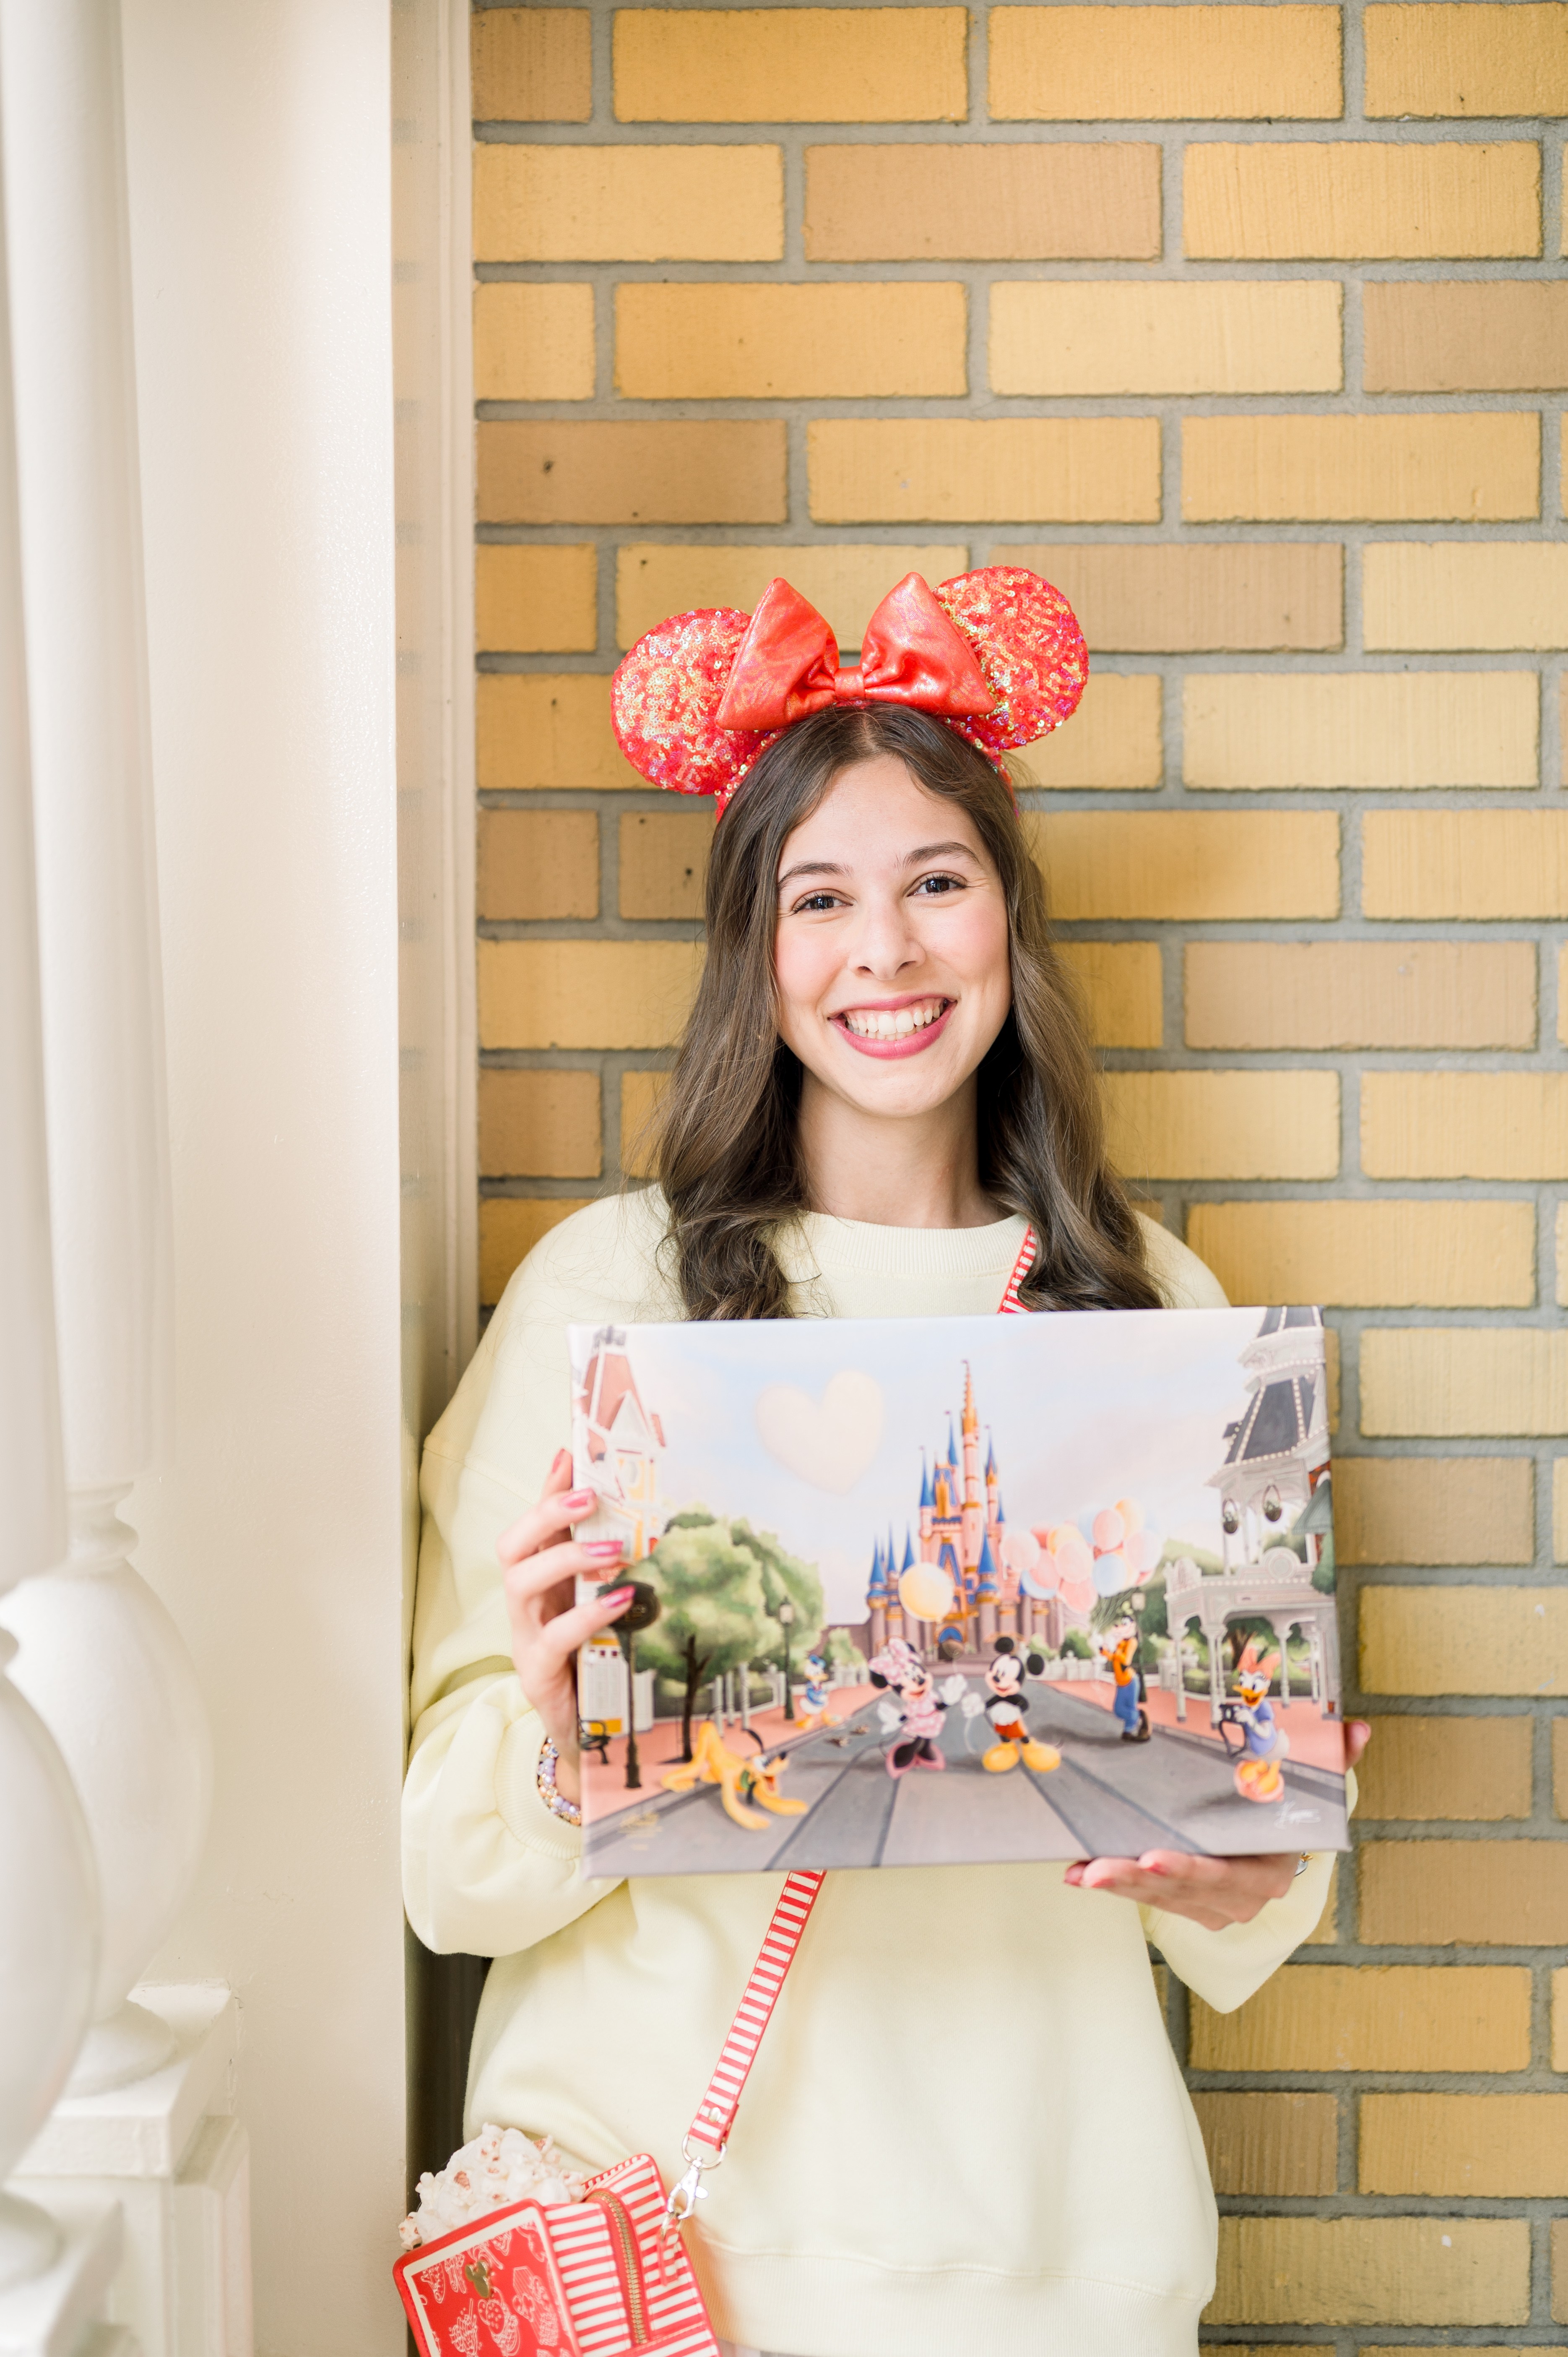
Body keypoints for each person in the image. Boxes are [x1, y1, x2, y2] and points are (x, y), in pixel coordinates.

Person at [403, 568, 1366, 2357]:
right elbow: (442, 1873)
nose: (886, 950)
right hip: (662, 2251)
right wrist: (557, 1746)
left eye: (936, 883)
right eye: (819, 898)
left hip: (1056, 2256)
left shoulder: (1148, 1309)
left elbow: (1242, 1889)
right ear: (751, 953)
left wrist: (1246, 1852)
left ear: (1007, 918)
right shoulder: (606, 1297)